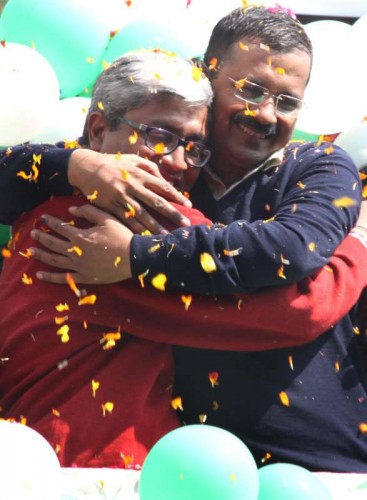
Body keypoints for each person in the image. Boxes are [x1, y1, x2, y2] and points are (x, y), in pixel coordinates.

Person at [1, 6, 366, 472]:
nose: (175, 160)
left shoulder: (318, 165)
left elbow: (292, 250)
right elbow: (305, 308)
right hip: (102, 470)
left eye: (288, 101)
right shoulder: (111, 213)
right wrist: (358, 247)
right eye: (159, 136)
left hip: (315, 466)